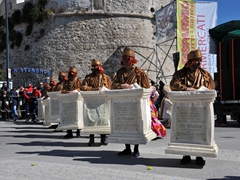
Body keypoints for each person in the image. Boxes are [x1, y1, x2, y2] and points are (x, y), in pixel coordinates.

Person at [170, 49, 215, 166]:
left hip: (200, 108)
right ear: (190, 62)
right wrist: (187, 89)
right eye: (195, 61)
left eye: (199, 61)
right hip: (184, 107)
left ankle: (199, 156)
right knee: (186, 131)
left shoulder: (205, 75)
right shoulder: (180, 74)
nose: (198, 63)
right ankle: (186, 155)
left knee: (199, 131)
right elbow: (173, 84)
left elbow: (211, 87)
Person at [111, 47, 150, 158]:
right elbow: (112, 85)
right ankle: (127, 148)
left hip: (135, 104)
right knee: (125, 126)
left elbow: (146, 86)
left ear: (132, 60)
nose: (125, 61)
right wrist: (121, 85)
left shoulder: (139, 72)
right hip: (122, 104)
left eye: (127, 58)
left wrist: (135, 87)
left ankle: (136, 149)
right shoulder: (119, 72)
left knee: (135, 126)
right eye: (123, 58)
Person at [81, 59, 112, 146]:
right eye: (94, 67)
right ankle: (91, 139)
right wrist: (94, 89)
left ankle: (103, 138)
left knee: (103, 119)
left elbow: (110, 88)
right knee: (92, 120)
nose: (95, 69)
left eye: (97, 67)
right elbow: (83, 87)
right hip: (92, 101)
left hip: (103, 102)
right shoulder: (88, 77)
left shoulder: (106, 78)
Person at [62, 67, 82, 138]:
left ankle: (78, 132)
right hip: (68, 101)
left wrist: (74, 91)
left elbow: (80, 89)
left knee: (77, 116)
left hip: (76, 101)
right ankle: (69, 132)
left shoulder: (78, 81)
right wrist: (67, 92)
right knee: (68, 116)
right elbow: (63, 90)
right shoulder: (66, 82)